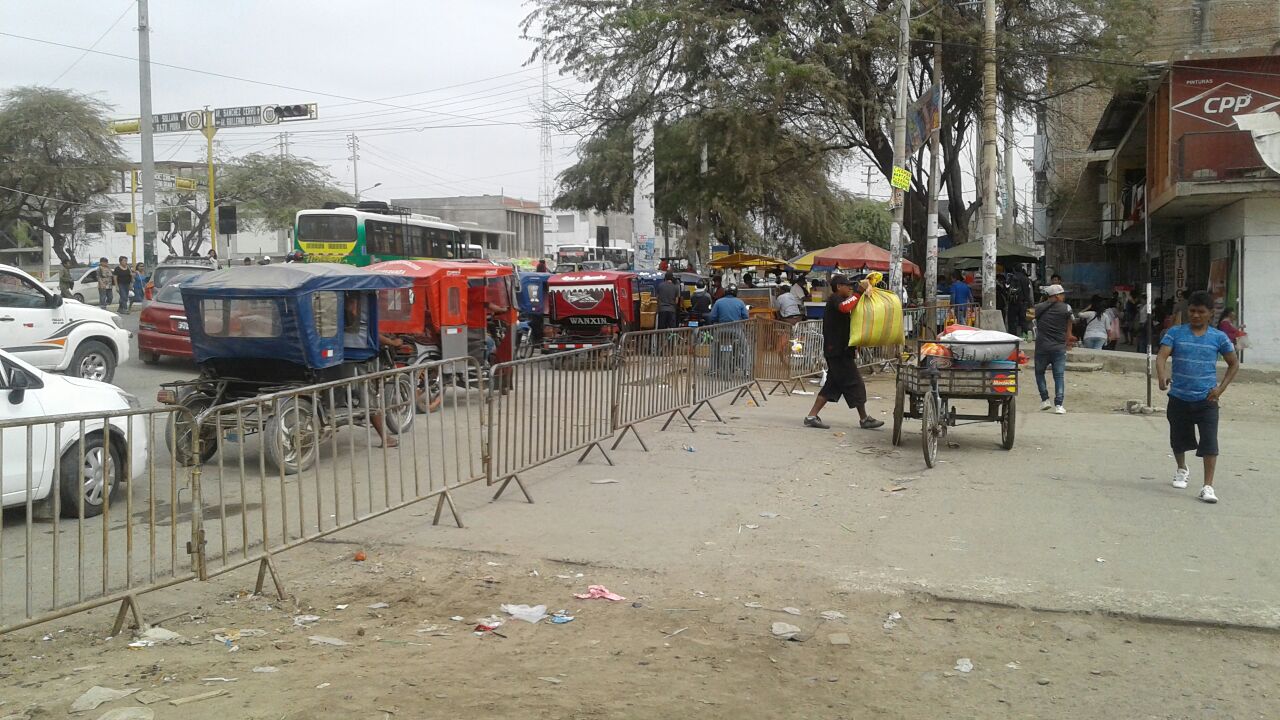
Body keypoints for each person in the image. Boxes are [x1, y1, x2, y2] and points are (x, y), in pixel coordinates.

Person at [1157, 290, 1239, 504]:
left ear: (1210, 314)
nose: (1195, 315)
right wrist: (1162, 376)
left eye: (1200, 312)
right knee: (1178, 439)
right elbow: (1162, 356)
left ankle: (1207, 486)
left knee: (1210, 442)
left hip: (1207, 399)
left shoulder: (1218, 337)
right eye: (1192, 311)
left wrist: (1220, 389)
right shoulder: (1175, 333)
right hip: (1179, 397)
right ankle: (1181, 468)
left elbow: (1233, 363)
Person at [804, 274, 883, 430]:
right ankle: (864, 419)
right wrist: (859, 292)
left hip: (840, 350)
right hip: (837, 351)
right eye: (847, 285)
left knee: (832, 386)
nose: (850, 288)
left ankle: (811, 416)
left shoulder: (839, 300)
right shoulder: (835, 300)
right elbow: (845, 307)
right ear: (838, 287)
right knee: (855, 383)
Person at [1034, 283, 1074, 414]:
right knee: (1059, 376)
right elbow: (1071, 323)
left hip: (1041, 347)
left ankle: (1045, 400)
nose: (1063, 296)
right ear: (1056, 296)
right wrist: (1068, 342)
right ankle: (1059, 405)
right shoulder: (1066, 308)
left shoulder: (1039, 307)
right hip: (1058, 348)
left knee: (1040, 373)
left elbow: (1028, 317)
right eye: (1062, 294)